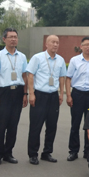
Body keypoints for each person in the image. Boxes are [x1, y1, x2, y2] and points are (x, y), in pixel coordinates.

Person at [26, 35, 67, 164]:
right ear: (46, 44)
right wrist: (31, 93)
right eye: (53, 42)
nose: (55, 45)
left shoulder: (60, 60)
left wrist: (61, 94)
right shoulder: (37, 58)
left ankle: (47, 152)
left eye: (57, 42)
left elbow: (62, 77)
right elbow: (30, 76)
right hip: (39, 95)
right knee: (36, 126)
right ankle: (33, 154)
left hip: (53, 96)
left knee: (52, 126)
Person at [0, 28, 28, 166]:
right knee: (1, 125)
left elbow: (24, 76)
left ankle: (8, 153)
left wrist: (25, 94)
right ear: (4, 39)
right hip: (3, 92)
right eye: (10, 37)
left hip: (17, 92)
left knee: (13, 125)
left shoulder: (22, 57)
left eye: (15, 37)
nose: (13, 39)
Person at [65, 36, 89, 162]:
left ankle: (88, 150)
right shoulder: (74, 60)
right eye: (86, 44)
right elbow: (68, 78)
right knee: (75, 124)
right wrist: (69, 95)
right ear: (81, 46)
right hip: (77, 94)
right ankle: (73, 151)